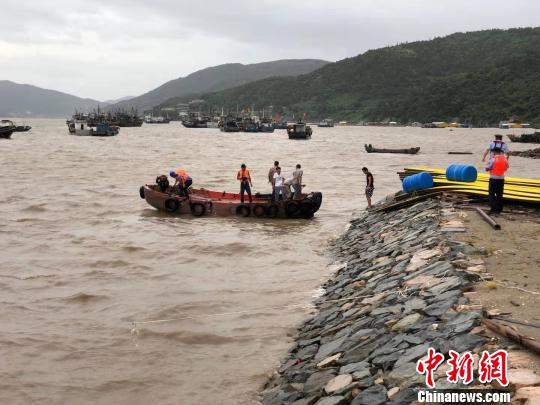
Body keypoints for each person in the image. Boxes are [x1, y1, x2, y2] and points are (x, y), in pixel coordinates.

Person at [486, 147, 509, 215]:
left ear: (494, 152)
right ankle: (499, 210)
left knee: (491, 194)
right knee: (499, 194)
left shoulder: (492, 159)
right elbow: (507, 167)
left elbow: (487, 168)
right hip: (501, 179)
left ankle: (493, 209)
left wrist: (488, 168)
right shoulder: (505, 159)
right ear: (500, 152)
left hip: (493, 179)